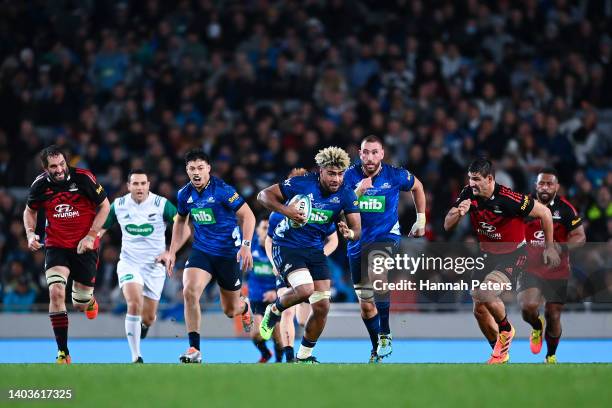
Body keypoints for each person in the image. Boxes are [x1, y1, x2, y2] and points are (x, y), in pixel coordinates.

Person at [444, 158, 560, 364]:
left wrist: (550, 247)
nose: (472, 183)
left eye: (477, 179)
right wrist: (459, 212)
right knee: (479, 309)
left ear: (490, 179)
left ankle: (506, 329)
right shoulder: (468, 193)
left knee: (485, 292)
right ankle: (500, 352)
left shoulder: (510, 198)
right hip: (486, 255)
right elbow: (447, 225)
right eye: (470, 179)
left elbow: (545, 213)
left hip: (513, 254)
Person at [257, 146, 361, 363]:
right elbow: (263, 196)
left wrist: (349, 233)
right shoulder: (301, 183)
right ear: (321, 171)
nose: (336, 179)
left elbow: (357, 230)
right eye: (331, 173)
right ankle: (274, 309)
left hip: (314, 250)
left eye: (340, 174)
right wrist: (288, 211)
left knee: (322, 306)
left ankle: (304, 355)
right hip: (287, 246)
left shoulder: (346, 194)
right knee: (305, 290)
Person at [161, 149, 256, 364]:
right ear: (187, 171)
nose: (196, 172)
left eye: (200, 168)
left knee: (231, 311)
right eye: (192, 169)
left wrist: (246, 245)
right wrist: (172, 251)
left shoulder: (222, 190)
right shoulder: (184, 194)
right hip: (202, 252)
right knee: (189, 291)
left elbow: (248, 215)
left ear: (208, 169)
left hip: (228, 254)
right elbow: (181, 222)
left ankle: (245, 306)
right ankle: (194, 348)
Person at [23, 145, 110, 364]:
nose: (60, 169)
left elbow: (105, 206)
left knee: (79, 303)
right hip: (56, 245)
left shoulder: (84, 179)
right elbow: (30, 210)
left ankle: (88, 301)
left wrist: (91, 235)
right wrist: (31, 234)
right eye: (54, 166)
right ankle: (63, 352)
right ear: (46, 168)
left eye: (62, 164)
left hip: (85, 246)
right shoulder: (40, 185)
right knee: (56, 293)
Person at [343, 135, 427, 362]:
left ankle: (385, 332)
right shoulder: (348, 176)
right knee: (366, 306)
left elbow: (417, 186)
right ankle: (376, 349)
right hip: (357, 242)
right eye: (365, 152)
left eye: (374, 152)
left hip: (385, 238)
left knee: (376, 269)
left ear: (382, 154)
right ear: (359, 154)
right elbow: (338, 208)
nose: (370, 157)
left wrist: (421, 219)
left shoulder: (395, 175)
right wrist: (357, 192)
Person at [100, 169, 182, 363]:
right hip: (129, 263)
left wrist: (171, 251)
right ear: (128, 186)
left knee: (149, 317)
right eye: (135, 184)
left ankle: (144, 326)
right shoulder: (119, 205)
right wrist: (92, 238)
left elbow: (181, 224)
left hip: (155, 267)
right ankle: (136, 355)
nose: (139, 187)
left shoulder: (161, 204)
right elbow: (102, 227)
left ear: (148, 185)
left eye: (143, 183)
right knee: (134, 303)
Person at [518, 168, 585, 363]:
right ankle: (536, 326)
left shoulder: (566, 209)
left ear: (557, 187)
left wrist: (559, 246)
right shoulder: (524, 205)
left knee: (553, 314)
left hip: (557, 269)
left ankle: (550, 356)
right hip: (529, 266)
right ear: (535, 185)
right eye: (541, 183)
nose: (545, 187)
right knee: (528, 307)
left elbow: (580, 237)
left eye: (549, 184)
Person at [265, 208, 338, 362]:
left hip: (310, 263)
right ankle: (289, 357)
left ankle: (302, 354)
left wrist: (318, 257)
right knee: (288, 312)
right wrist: (274, 263)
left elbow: (334, 240)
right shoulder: (278, 213)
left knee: (303, 320)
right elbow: (269, 240)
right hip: (287, 260)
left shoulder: (319, 209)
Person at [246, 217, 283, 363]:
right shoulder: (250, 248)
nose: (266, 231)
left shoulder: (278, 248)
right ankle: (266, 353)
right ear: (257, 230)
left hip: (276, 298)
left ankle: (279, 363)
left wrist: (275, 291)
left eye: (269, 228)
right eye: (263, 227)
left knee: (279, 338)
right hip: (257, 298)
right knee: (256, 335)